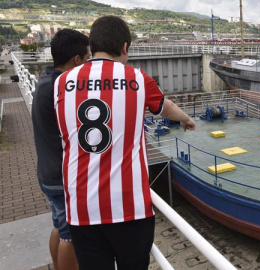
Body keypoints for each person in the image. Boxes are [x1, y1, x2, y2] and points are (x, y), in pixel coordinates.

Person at [53, 16, 195, 270]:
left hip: (82, 209)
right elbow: (166, 108)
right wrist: (186, 119)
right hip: (130, 210)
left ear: (91, 47)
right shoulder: (138, 79)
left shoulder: (61, 82)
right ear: (125, 47)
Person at [32, 29, 90, 270]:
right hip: (61, 176)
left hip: (47, 171)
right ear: (76, 59)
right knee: (71, 237)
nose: (88, 63)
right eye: (86, 58)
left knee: (59, 226)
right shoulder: (62, 88)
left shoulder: (47, 79)